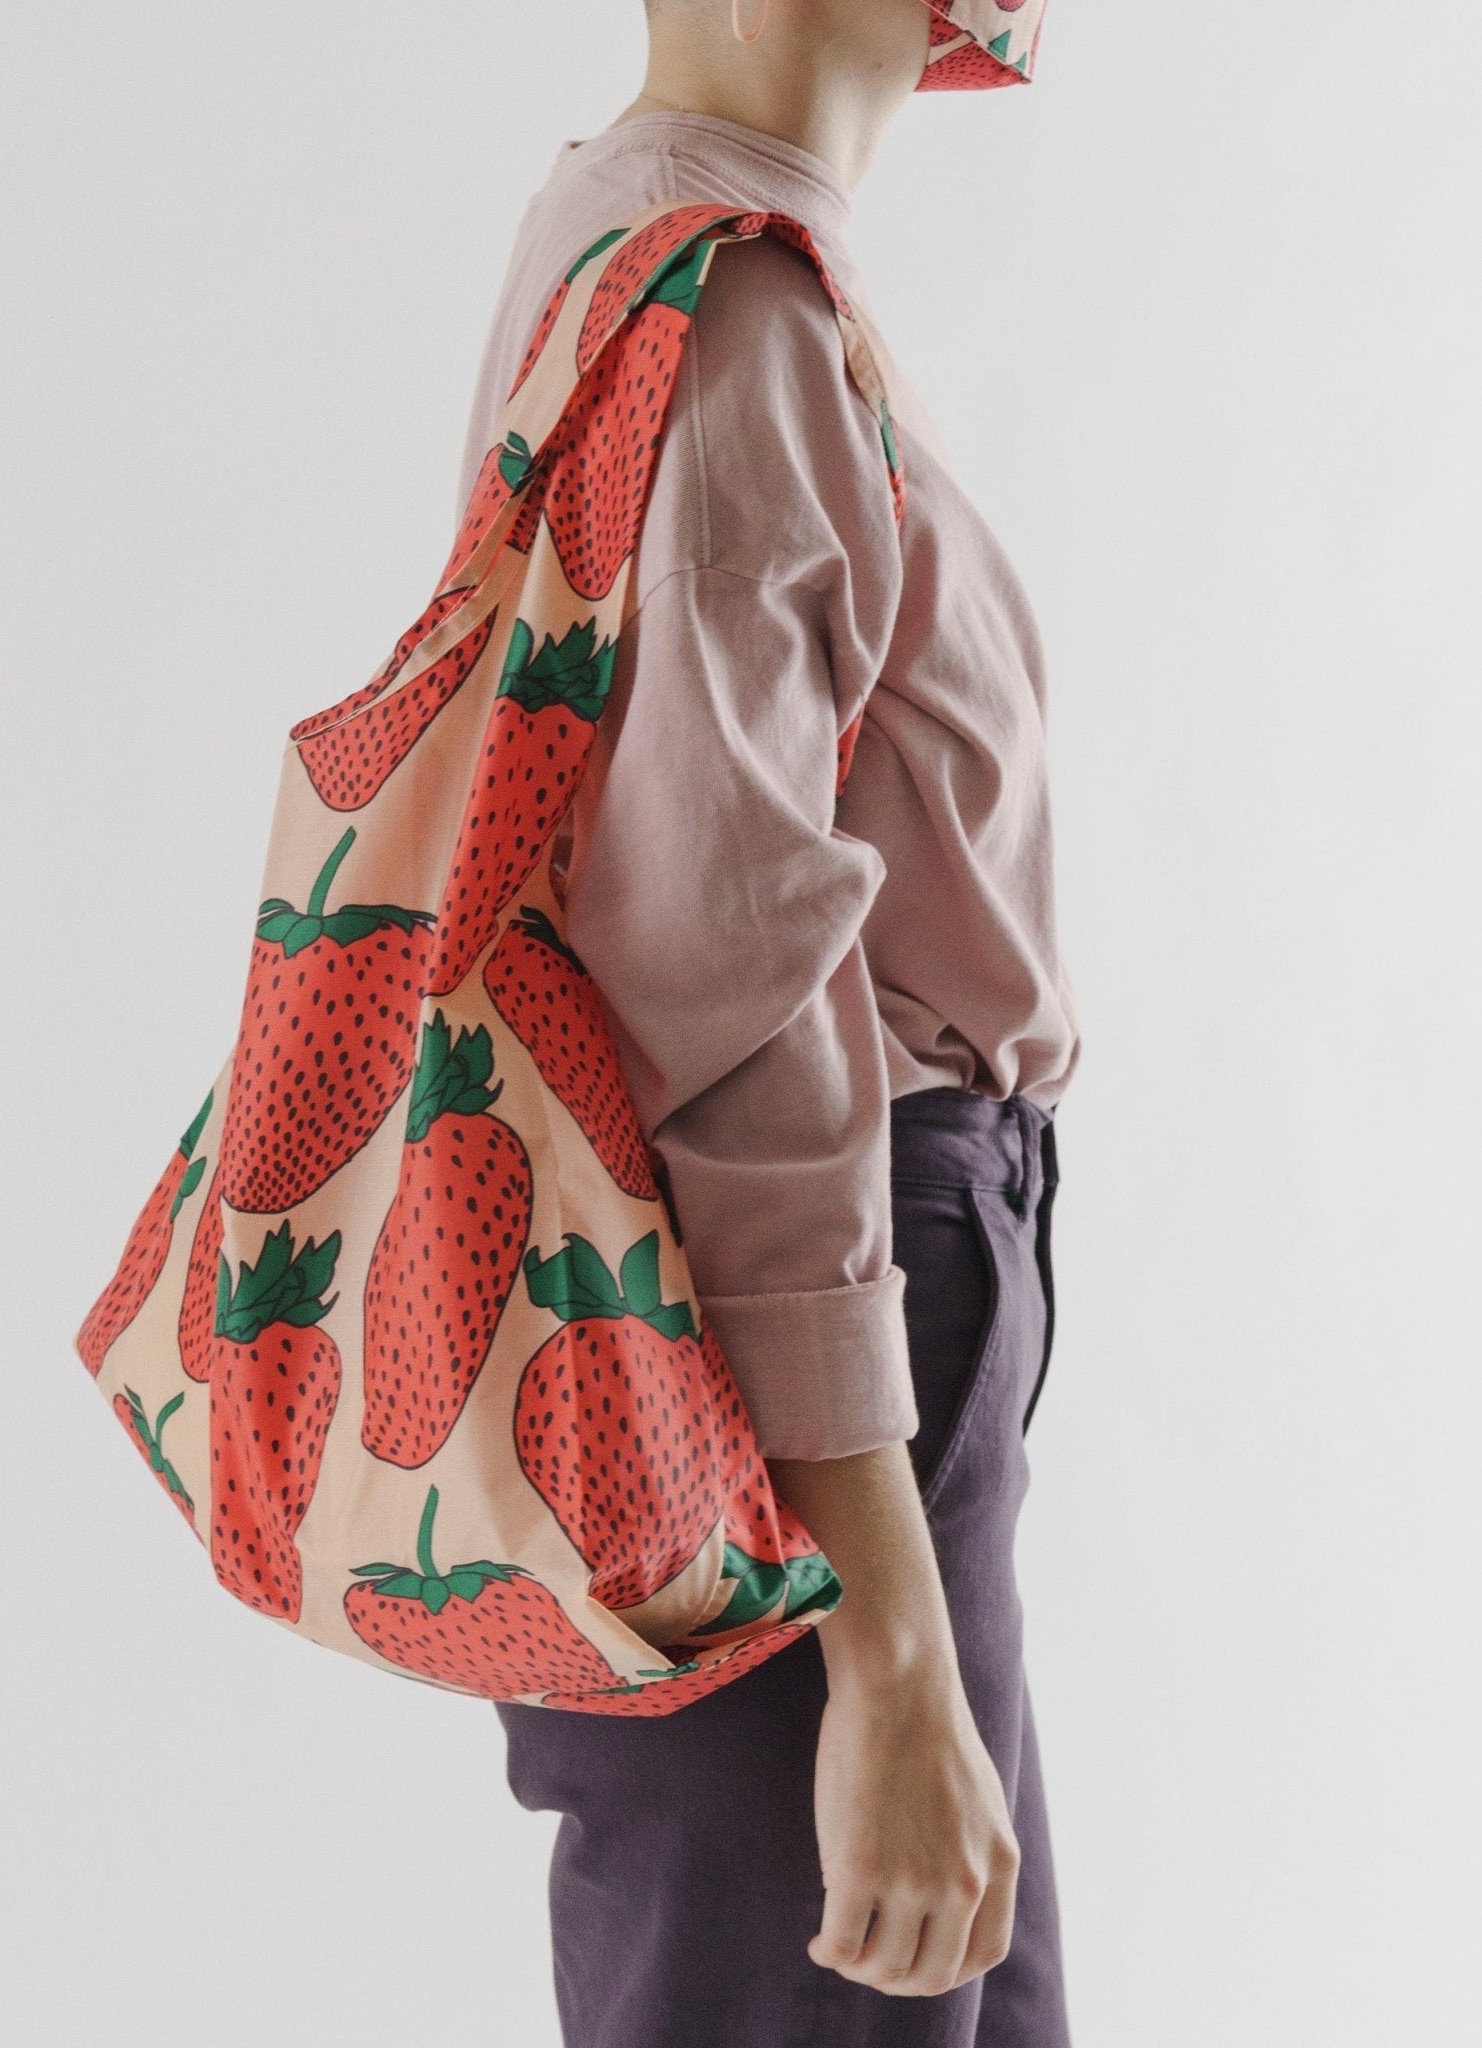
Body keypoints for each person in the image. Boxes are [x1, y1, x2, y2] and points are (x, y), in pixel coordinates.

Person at [472, 3, 1078, 2042]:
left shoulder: (708, 256)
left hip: (841, 1335)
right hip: (803, 1343)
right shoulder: (719, 313)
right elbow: (722, 1005)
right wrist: (887, 1642)